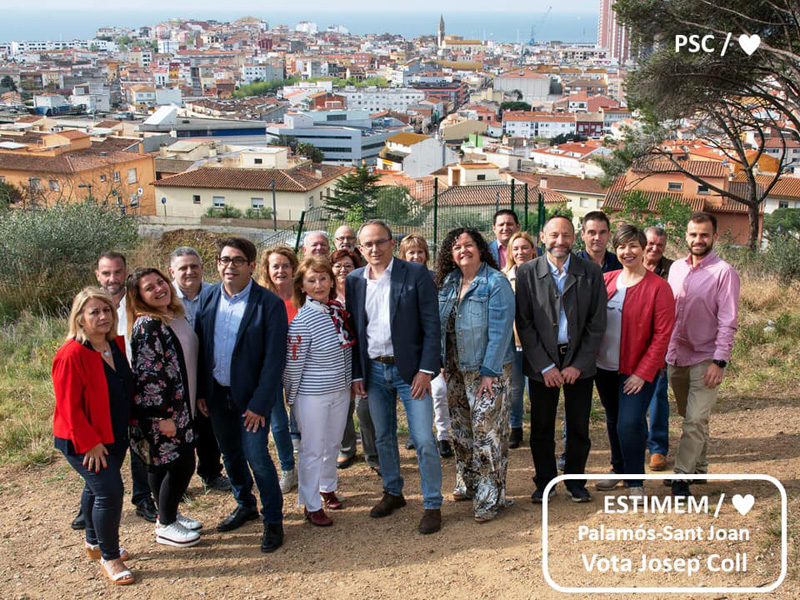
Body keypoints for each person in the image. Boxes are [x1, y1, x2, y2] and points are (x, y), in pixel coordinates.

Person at [346, 219, 444, 534]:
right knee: (383, 436)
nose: (374, 249)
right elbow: (354, 332)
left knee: (424, 439)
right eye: (368, 244)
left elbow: (432, 326)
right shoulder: (354, 280)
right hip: (373, 370)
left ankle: (432, 503)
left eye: (380, 242)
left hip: (412, 373)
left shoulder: (415, 274)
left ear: (391, 242)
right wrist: (357, 373)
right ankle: (393, 491)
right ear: (360, 249)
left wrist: (426, 371)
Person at [195, 237, 287, 553]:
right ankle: (245, 503)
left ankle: (273, 520)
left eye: (237, 260)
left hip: (252, 402)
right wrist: (202, 392)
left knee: (257, 457)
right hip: (217, 396)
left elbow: (275, 359)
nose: (229, 266)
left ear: (250, 265)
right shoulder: (208, 298)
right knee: (230, 455)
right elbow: (201, 348)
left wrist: (261, 404)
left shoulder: (268, 304)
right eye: (224, 260)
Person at [516, 215, 607, 503]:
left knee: (579, 425)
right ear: (542, 237)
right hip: (542, 365)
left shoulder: (591, 272)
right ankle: (544, 482)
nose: (560, 241)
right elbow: (525, 323)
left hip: (579, 363)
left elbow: (597, 323)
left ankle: (575, 482)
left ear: (574, 238)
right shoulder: (527, 272)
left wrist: (578, 364)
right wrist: (545, 365)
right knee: (541, 427)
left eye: (566, 235)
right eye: (554, 235)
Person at [52, 288, 135, 585]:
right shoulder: (71, 353)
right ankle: (109, 557)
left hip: (114, 434)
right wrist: (90, 443)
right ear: (80, 319)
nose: (102, 316)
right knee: (109, 492)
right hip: (84, 441)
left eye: (106, 311)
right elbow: (68, 406)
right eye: (94, 312)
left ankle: (93, 543)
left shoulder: (114, 345)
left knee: (95, 488)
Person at [437, 228, 515, 522]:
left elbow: (501, 331)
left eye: (469, 245)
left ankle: (490, 499)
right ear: (450, 254)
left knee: (488, 435)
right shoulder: (449, 282)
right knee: (461, 432)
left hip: (487, 371)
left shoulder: (495, 282)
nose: (463, 251)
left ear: (481, 249)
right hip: (456, 369)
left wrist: (489, 372)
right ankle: (469, 485)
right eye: (457, 247)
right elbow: (440, 325)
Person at [592, 225, 675, 496]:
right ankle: (618, 470)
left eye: (633, 246)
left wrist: (643, 372)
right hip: (604, 368)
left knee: (630, 422)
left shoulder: (659, 288)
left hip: (637, 371)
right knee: (614, 420)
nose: (627, 252)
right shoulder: (607, 280)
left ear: (643, 248)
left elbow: (663, 335)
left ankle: (636, 481)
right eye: (621, 247)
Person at [127, 268, 202, 548]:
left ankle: (167, 515)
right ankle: (166, 525)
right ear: (139, 297)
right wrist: (163, 416)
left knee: (165, 466)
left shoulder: (174, 315)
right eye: (150, 288)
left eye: (161, 282)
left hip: (182, 407)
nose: (160, 289)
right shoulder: (148, 325)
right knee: (181, 465)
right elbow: (149, 376)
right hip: (163, 413)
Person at [666, 213, 740, 497]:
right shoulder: (675, 269)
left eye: (704, 235)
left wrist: (720, 362)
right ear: (686, 236)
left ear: (715, 237)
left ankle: (681, 477)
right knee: (691, 415)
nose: (698, 240)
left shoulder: (724, 272)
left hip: (706, 358)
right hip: (675, 356)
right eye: (693, 234)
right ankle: (700, 467)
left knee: (695, 419)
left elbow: (728, 320)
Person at [284, 256, 355, 526]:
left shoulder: (336, 311)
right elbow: (293, 365)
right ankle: (310, 502)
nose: (319, 284)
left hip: (339, 390)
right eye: (311, 280)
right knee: (312, 448)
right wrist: (292, 399)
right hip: (311, 394)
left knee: (333, 443)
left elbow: (347, 354)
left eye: (323, 278)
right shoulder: (303, 320)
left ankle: (327, 486)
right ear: (302, 286)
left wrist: (348, 386)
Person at [91, 253, 156, 525]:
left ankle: (143, 498)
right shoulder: (93, 306)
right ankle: (94, 502)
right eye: (106, 273)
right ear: (98, 275)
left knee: (141, 444)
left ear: (125, 272)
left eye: (117, 272)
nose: (112, 279)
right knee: (108, 445)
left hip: (138, 381)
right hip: (106, 385)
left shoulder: (135, 301)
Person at [169, 247, 231, 492]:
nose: (189, 272)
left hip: (207, 369)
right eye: (183, 267)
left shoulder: (216, 293)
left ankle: (211, 473)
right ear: (172, 271)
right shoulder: (165, 297)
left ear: (203, 268)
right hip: (175, 373)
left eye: (194, 266)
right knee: (178, 429)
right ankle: (176, 483)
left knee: (207, 425)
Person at [398, 233, 453, 459]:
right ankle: (418, 434)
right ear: (402, 255)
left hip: (434, 347)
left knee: (439, 392)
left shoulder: (436, 279)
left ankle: (443, 436)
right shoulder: (396, 280)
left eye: (420, 252)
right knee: (415, 395)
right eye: (411, 252)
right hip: (410, 350)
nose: (416, 256)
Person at [256, 246, 301, 494]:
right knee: (279, 424)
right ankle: (288, 469)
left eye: (285, 265)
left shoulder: (303, 296)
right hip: (271, 368)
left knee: (304, 419)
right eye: (276, 266)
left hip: (301, 367)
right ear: (268, 270)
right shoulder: (262, 298)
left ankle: (311, 466)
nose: (281, 270)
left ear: (294, 268)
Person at [331, 248, 378, 470]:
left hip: (363, 358)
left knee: (365, 409)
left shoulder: (363, 291)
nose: (342, 270)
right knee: (343, 408)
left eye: (348, 266)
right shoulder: (326, 295)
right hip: (337, 361)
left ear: (356, 268)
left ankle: (372, 453)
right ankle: (346, 448)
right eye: (338, 266)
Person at [503, 231, 538, 449]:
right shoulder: (503, 276)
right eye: (515, 248)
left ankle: (539, 429)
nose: (520, 252)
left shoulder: (542, 275)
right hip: (511, 343)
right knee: (514, 390)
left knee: (534, 390)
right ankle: (515, 427)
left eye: (524, 247)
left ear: (533, 249)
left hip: (536, 343)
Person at [642, 227, 674, 471]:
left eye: (659, 245)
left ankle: (658, 449)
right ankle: (636, 443)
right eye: (651, 243)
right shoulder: (627, 263)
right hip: (628, 343)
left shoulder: (673, 270)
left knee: (657, 395)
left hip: (659, 343)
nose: (654, 248)